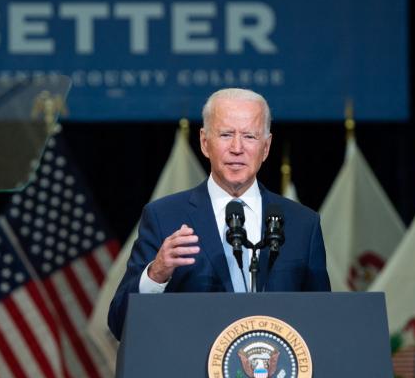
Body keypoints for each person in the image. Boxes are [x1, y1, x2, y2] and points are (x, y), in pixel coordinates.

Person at [107, 88, 330, 340]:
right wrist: (156, 274)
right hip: (191, 374)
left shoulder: (303, 224)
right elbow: (118, 323)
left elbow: (323, 322)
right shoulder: (164, 217)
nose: (237, 148)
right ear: (204, 142)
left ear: (266, 147)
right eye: (226, 134)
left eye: (249, 136)